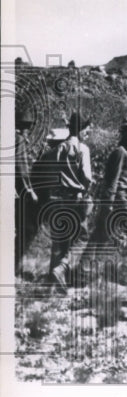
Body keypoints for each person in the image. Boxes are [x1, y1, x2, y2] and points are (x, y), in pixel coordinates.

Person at [77, 121, 127, 287]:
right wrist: (108, 204)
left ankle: (82, 274)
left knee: (100, 236)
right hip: (117, 199)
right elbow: (112, 181)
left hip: (119, 198)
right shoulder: (120, 153)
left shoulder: (123, 152)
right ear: (124, 137)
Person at [48, 112, 94, 287]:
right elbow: (87, 177)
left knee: (60, 237)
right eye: (86, 129)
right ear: (80, 129)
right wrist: (84, 189)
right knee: (81, 237)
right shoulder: (83, 149)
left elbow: (53, 173)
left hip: (59, 197)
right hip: (76, 198)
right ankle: (62, 268)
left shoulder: (60, 147)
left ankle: (53, 280)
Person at [14, 109, 40, 278]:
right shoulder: (20, 140)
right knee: (28, 230)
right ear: (28, 126)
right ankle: (14, 266)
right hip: (19, 193)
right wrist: (29, 190)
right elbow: (22, 167)